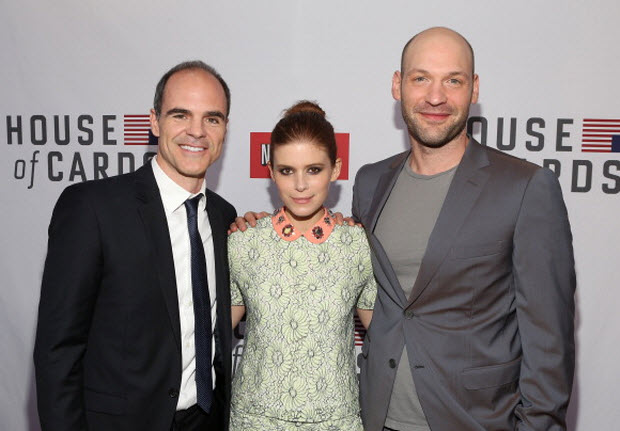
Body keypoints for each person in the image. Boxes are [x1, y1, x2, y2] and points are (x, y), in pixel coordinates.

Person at [352, 27, 576, 430]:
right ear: (397, 85)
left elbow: (549, 341)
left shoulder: (525, 187)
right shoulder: (370, 182)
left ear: (474, 89)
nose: (436, 97)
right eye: (421, 78)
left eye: (453, 81)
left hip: (474, 419)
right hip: (376, 416)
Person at [33, 60, 237, 431]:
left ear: (224, 129)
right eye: (180, 115)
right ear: (154, 121)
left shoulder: (225, 217)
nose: (197, 131)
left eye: (212, 118)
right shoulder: (92, 209)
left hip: (205, 421)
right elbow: (57, 351)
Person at [228, 101, 377, 431]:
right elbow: (209, 337)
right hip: (255, 420)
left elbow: (385, 338)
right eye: (286, 171)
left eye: (313, 170)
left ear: (335, 169)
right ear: (271, 172)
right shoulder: (244, 242)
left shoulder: (358, 245)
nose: (300, 185)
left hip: (336, 420)